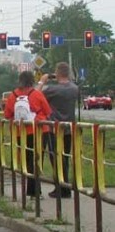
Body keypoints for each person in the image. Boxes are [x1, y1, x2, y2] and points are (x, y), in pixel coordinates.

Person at [3, 70, 51, 197]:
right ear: (32, 80)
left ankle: (31, 190)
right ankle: (35, 190)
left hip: (21, 132)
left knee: (27, 160)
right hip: (40, 130)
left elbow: (7, 115)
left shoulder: (13, 95)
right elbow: (47, 111)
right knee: (36, 159)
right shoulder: (37, 94)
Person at [38, 62, 78, 198]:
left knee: (55, 158)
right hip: (69, 128)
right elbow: (68, 83)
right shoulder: (74, 88)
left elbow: (36, 96)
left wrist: (42, 81)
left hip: (54, 128)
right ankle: (65, 186)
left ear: (57, 73)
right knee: (65, 157)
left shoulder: (51, 90)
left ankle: (61, 188)